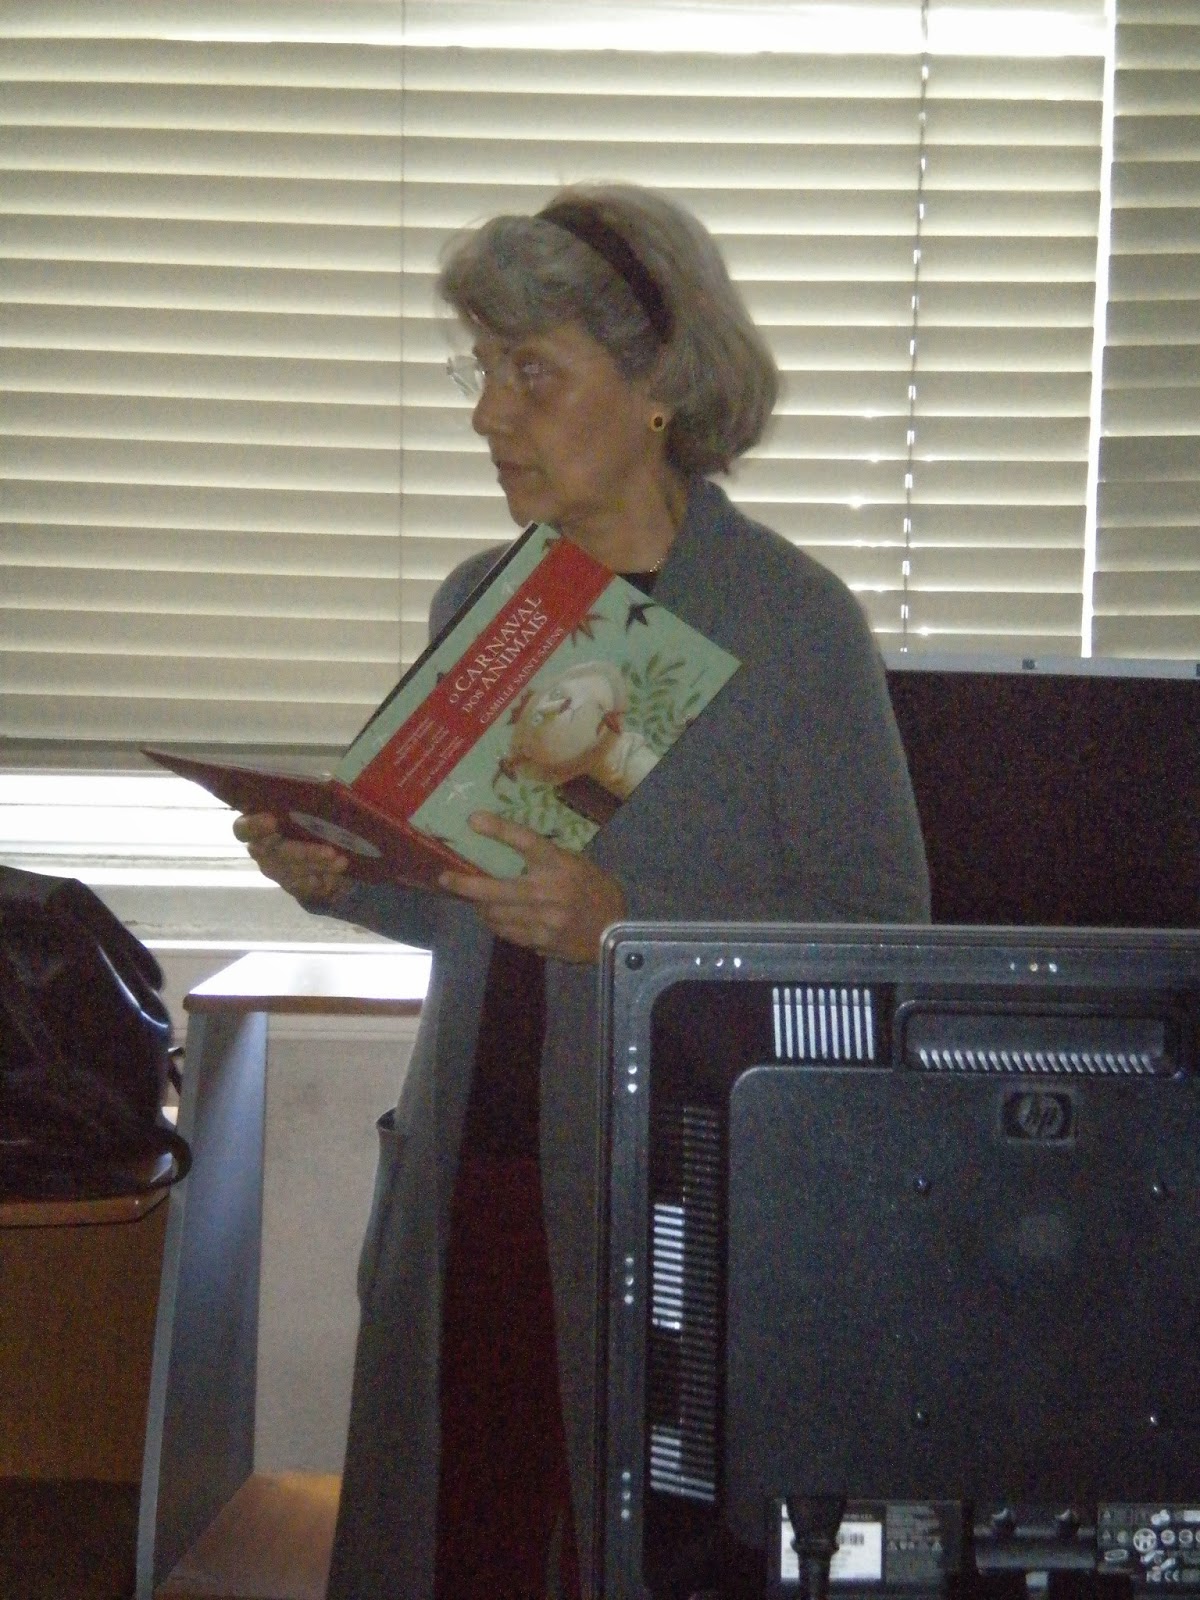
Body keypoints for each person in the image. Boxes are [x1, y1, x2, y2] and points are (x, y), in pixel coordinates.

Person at [234, 182, 931, 1599]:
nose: (490, 415)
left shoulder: (791, 624)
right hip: (473, 1164)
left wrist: (628, 929)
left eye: (531, 373)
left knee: (638, 1545)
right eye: (482, 372)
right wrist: (344, 871)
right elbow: (469, 899)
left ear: (660, 384)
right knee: (463, 1533)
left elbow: (884, 937)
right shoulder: (484, 601)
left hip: (669, 1194)